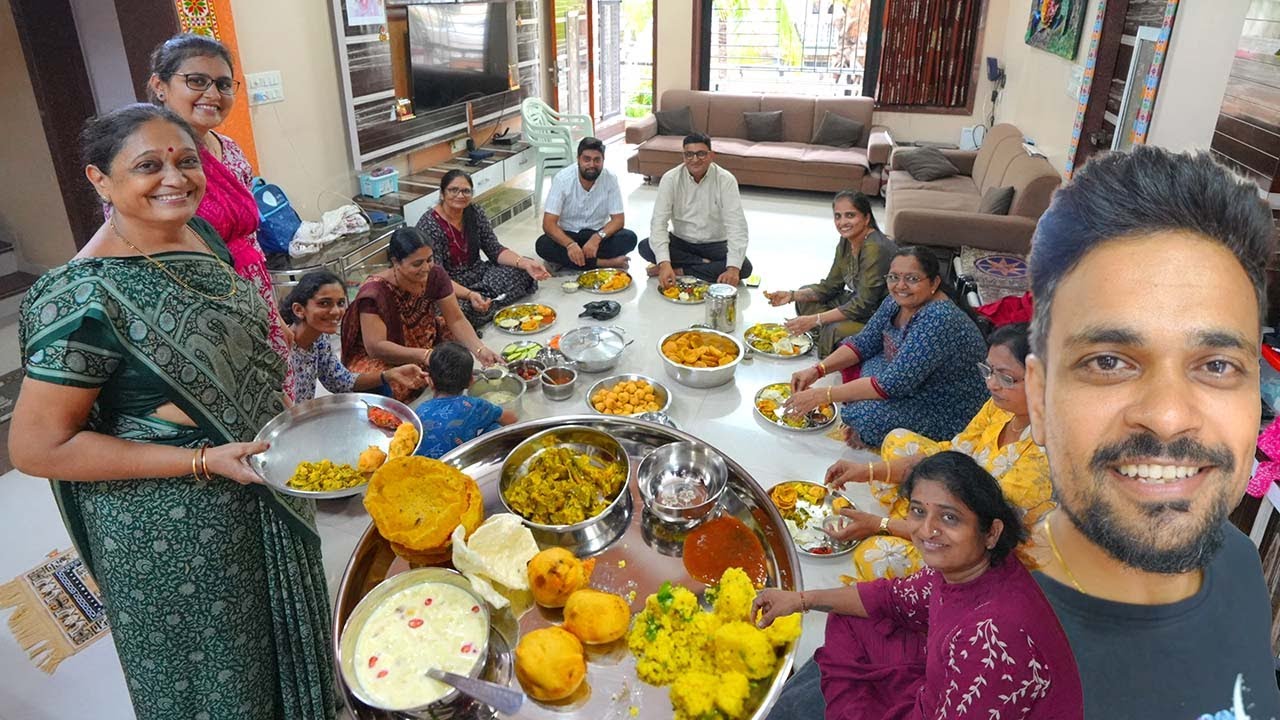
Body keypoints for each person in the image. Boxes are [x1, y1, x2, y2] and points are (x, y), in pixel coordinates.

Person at [10, 104, 335, 719]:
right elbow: (35, 448)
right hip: (173, 525)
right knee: (221, 674)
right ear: (100, 180)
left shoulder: (200, 235)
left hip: (257, 473)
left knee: (277, 643)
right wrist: (205, 460)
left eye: (187, 161)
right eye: (148, 165)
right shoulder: (83, 296)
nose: (176, 178)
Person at [1023, 146, 1280, 718]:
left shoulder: (1236, 562)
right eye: (1110, 361)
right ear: (1038, 399)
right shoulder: (952, 645)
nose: (1167, 416)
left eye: (1217, 365)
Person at [756, 452, 1082, 720]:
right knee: (852, 618)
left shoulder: (990, 638)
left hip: (958, 698)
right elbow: (891, 598)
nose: (927, 531)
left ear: (991, 532)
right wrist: (799, 599)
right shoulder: (968, 567)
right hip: (944, 679)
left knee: (810, 699)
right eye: (918, 511)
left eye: (949, 518)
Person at [824, 323, 1053, 580]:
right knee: (898, 440)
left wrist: (880, 525)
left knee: (875, 556)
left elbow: (970, 529)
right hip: (959, 501)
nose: (991, 384)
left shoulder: (1046, 455)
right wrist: (866, 471)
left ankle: (911, 524)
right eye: (988, 371)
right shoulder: (1000, 407)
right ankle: (913, 518)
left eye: (1005, 378)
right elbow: (954, 454)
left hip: (985, 554)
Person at [148, 33, 295, 399]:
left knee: (275, 396)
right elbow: (141, 244)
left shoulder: (228, 148)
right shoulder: (147, 159)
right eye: (197, 81)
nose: (213, 94)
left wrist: (273, 314)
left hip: (253, 290)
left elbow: (250, 241)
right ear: (160, 86)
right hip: (199, 306)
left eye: (223, 84)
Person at [787, 247, 987, 448]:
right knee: (867, 360)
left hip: (945, 405)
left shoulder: (939, 318)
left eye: (912, 279)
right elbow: (864, 342)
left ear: (934, 282)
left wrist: (823, 394)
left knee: (866, 417)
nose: (901, 285)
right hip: (910, 379)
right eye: (894, 277)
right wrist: (816, 371)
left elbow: (890, 385)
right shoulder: (896, 300)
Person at [341, 227, 500, 402]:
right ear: (396, 262)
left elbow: (455, 319)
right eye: (417, 264)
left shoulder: (435, 274)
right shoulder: (375, 292)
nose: (426, 268)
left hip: (425, 340)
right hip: (385, 355)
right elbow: (375, 347)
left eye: (429, 260)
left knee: (457, 348)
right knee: (395, 387)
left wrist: (480, 349)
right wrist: (424, 355)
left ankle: (433, 371)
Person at [766, 191, 896, 356]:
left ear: (867, 218)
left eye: (850, 215)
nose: (842, 222)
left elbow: (864, 304)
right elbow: (830, 287)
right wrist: (791, 295)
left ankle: (833, 349)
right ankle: (830, 340)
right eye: (838, 216)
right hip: (860, 306)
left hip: (878, 317)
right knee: (805, 299)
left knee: (833, 330)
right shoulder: (846, 241)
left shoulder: (874, 247)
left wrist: (816, 319)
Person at [415, 169, 551, 328]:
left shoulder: (475, 212)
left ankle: (484, 305)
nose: (460, 195)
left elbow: (494, 249)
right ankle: (487, 303)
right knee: (451, 309)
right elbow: (436, 277)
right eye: (453, 190)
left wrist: (524, 263)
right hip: (449, 284)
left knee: (522, 272)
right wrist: (469, 294)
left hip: (479, 275)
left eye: (466, 191)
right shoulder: (429, 225)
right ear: (442, 193)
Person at [281, 270, 426, 403]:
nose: (336, 311)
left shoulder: (319, 340)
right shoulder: (280, 348)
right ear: (299, 310)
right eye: (324, 303)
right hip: (283, 424)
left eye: (340, 303)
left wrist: (389, 375)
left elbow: (340, 382)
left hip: (300, 419)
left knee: (380, 389)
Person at [640, 133, 753, 286]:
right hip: (682, 241)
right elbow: (658, 223)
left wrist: (733, 268)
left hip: (715, 244)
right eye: (689, 154)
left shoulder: (726, 180)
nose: (694, 159)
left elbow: (737, 225)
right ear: (683, 156)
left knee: (744, 268)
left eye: (701, 154)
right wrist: (665, 264)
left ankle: (682, 271)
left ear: (711, 155)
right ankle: (701, 265)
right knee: (645, 246)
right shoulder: (670, 179)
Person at [534, 136, 637, 271]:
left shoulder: (610, 179)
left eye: (597, 160)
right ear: (578, 159)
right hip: (568, 234)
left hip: (597, 235)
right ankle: (604, 263)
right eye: (586, 159)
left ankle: (568, 261)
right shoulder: (563, 179)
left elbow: (618, 220)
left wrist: (597, 238)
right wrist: (570, 244)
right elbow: (548, 224)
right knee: (543, 245)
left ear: (603, 160)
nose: (592, 165)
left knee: (629, 238)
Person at [414, 342, 517, 458]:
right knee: (494, 426)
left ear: (430, 381)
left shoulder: (420, 409)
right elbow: (511, 419)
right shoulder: (472, 405)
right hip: (460, 466)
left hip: (425, 468)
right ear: (471, 382)